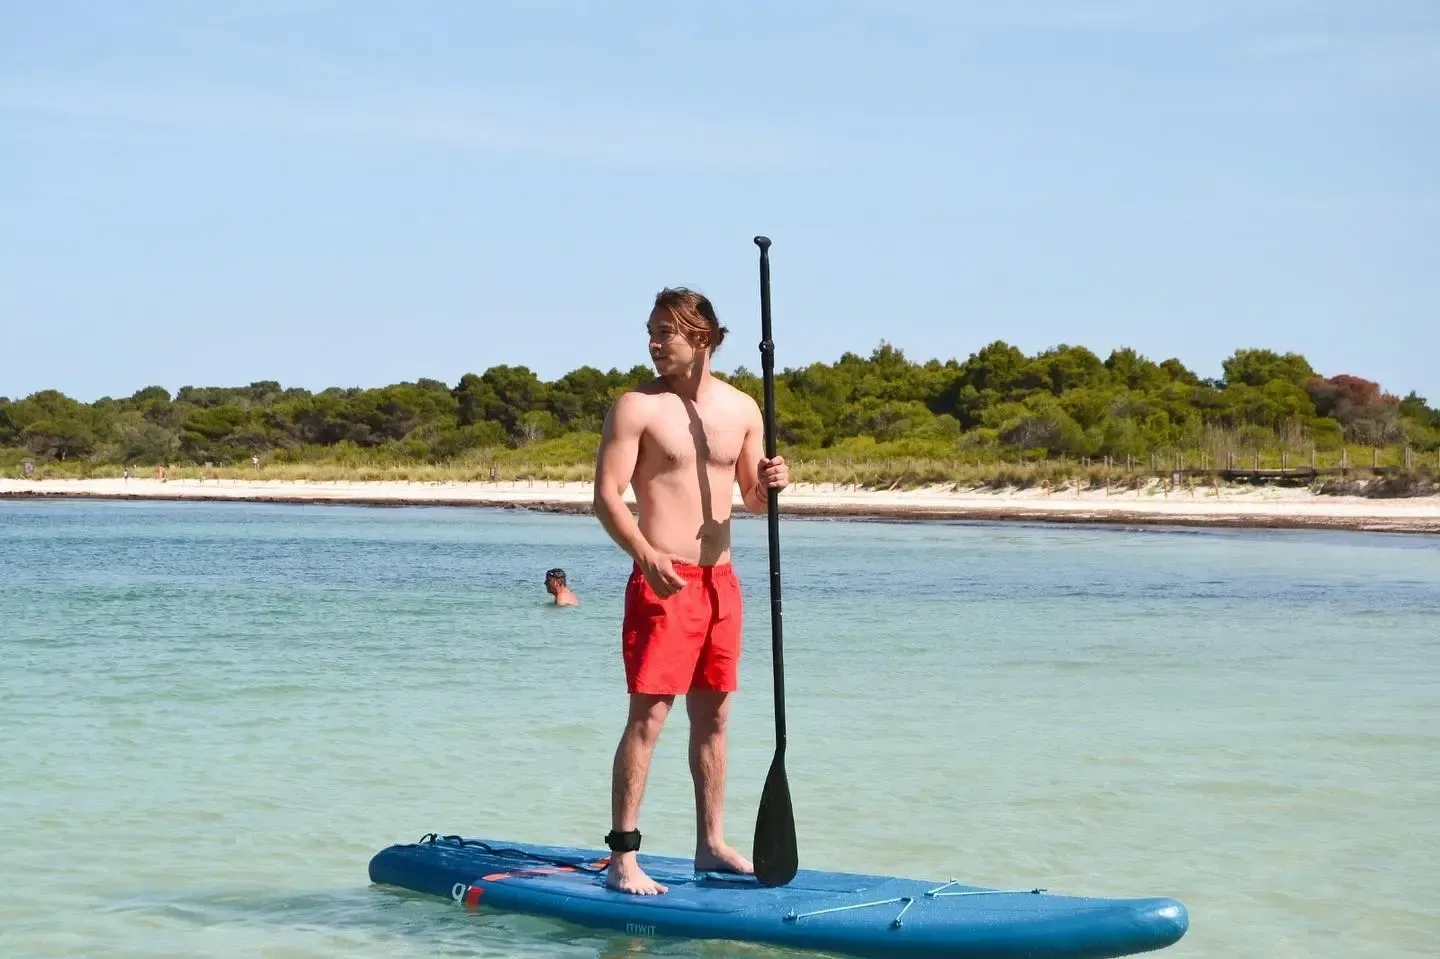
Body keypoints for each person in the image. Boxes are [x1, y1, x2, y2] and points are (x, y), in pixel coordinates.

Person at [592, 286, 789, 896]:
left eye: (665, 334)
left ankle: (710, 846)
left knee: (715, 720)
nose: (653, 344)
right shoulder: (636, 407)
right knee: (648, 717)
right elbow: (605, 496)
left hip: (721, 582)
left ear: (701, 338)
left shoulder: (742, 409)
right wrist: (645, 554)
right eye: (650, 332)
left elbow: (753, 499)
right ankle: (623, 856)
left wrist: (772, 483)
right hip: (664, 577)